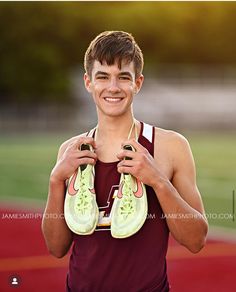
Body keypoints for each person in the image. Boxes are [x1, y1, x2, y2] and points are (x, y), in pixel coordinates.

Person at [42, 31, 208, 292]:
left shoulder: (171, 146)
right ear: (88, 82)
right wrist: (56, 180)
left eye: (123, 77)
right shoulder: (70, 150)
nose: (113, 87)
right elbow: (56, 248)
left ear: (138, 83)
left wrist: (158, 181)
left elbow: (196, 239)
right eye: (102, 77)